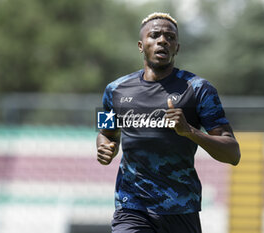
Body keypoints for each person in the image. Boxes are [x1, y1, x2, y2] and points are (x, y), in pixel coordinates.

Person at [96, 12, 241, 233]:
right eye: (154, 35)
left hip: (181, 210)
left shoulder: (199, 89)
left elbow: (233, 154)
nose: (163, 40)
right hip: (132, 208)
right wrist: (104, 147)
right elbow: (106, 133)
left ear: (177, 48)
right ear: (141, 45)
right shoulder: (114, 90)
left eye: (170, 37)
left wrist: (190, 131)